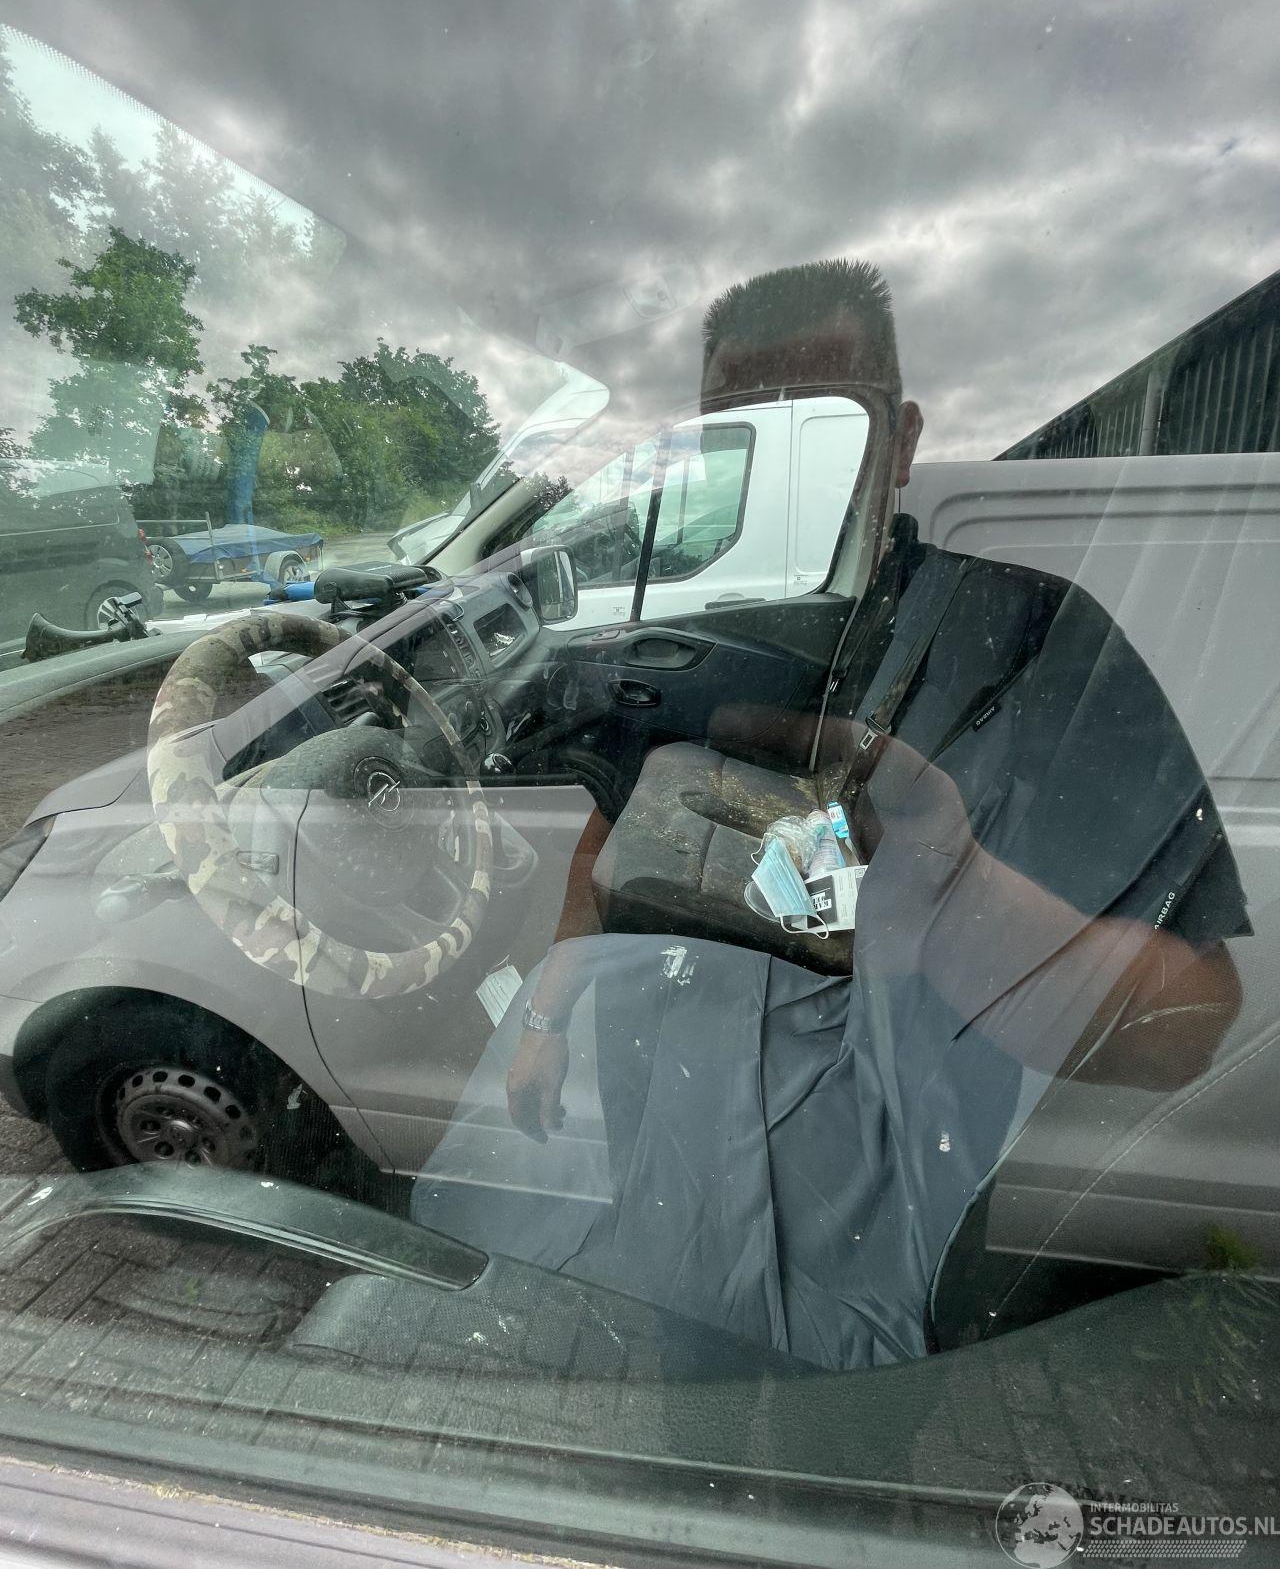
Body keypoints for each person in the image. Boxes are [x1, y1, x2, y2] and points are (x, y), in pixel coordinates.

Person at [412, 259, 1248, 1372]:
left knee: (858, 1470)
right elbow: (610, 841)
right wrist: (547, 1019)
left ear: (900, 440)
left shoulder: (1027, 648)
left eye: (826, 425)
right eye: (747, 434)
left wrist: (949, 886)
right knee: (687, 1429)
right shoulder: (673, 642)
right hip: (673, 1194)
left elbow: (1186, 1028)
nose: (788, 468)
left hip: (892, 1232)